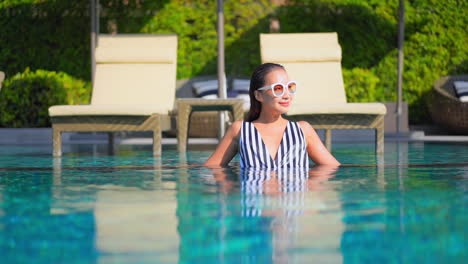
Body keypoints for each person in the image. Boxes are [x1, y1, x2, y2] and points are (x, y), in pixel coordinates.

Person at [204, 63, 340, 168]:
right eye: (278, 88)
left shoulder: (303, 130)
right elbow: (211, 168)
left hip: (292, 202)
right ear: (258, 95)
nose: (287, 95)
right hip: (256, 202)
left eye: (290, 87)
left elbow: (332, 168)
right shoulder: (240, 130)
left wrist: (312, 184)